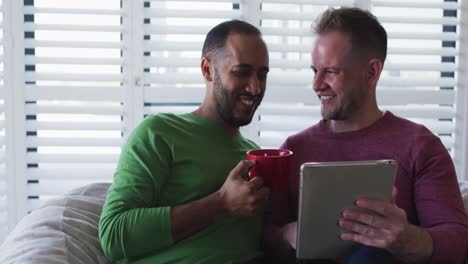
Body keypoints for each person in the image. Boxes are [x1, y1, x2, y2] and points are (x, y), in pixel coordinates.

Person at [263, 7, 468, 264]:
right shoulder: (294, 149)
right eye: (314, 71)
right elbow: (265, 238)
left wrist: (405, 239)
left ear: (371, 72)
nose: (316, 85)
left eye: (331, 71)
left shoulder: (420, 146)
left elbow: (458, 243)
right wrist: (287, 234)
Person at [99, 20, 271, 264]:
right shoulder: (159, 133)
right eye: (241, 72)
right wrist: (220, 204)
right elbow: (114, 235)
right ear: (207, 70)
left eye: (262, 75)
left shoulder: (255, 155)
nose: (255, 88)